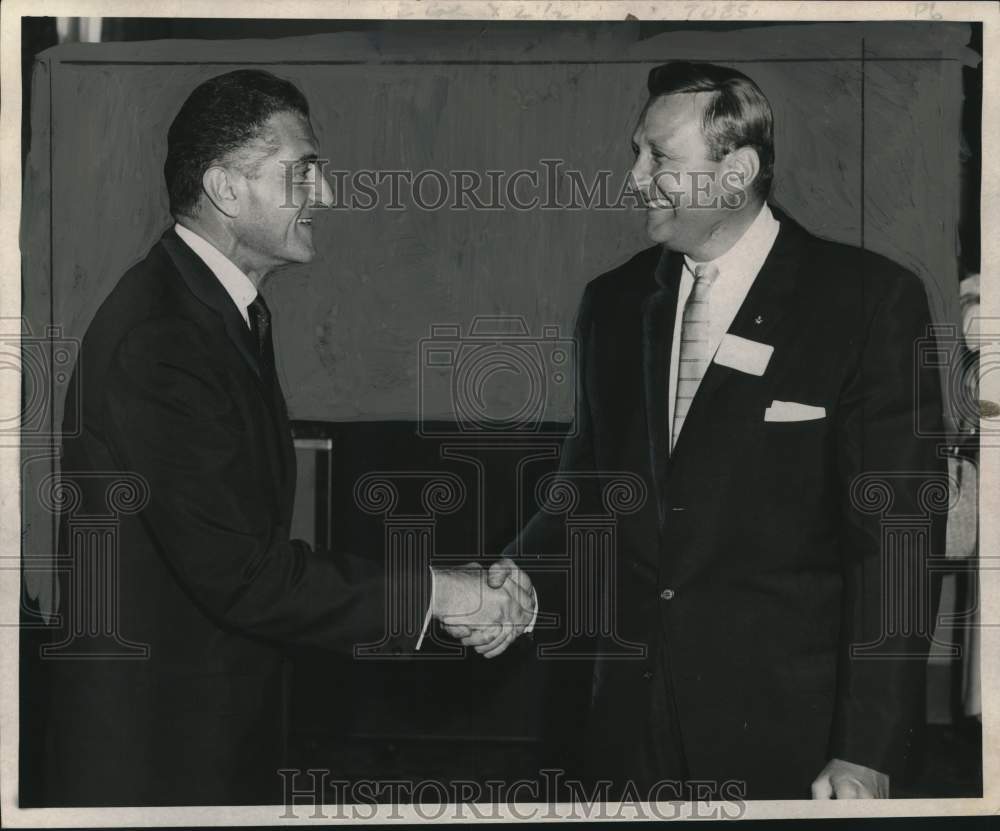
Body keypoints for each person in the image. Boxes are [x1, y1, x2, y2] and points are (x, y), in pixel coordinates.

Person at [36, 69, 532, 807]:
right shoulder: (162, 339)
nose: (324, 195)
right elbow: (245, 574)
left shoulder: (209, 311)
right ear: (225, 189)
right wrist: (443, 593)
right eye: (302, 171)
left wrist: (442, 590)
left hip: (199, 739)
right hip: (157, 763)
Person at [482, 61, 947, 800]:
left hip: (792, 739)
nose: (635, 178)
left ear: (737, 173)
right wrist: (517, 575)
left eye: (659, 157)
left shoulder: (867, 302)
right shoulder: (613, 302)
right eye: (637, 153)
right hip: (627, 727)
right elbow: (588, 490)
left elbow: (896, 544)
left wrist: (868, 746)